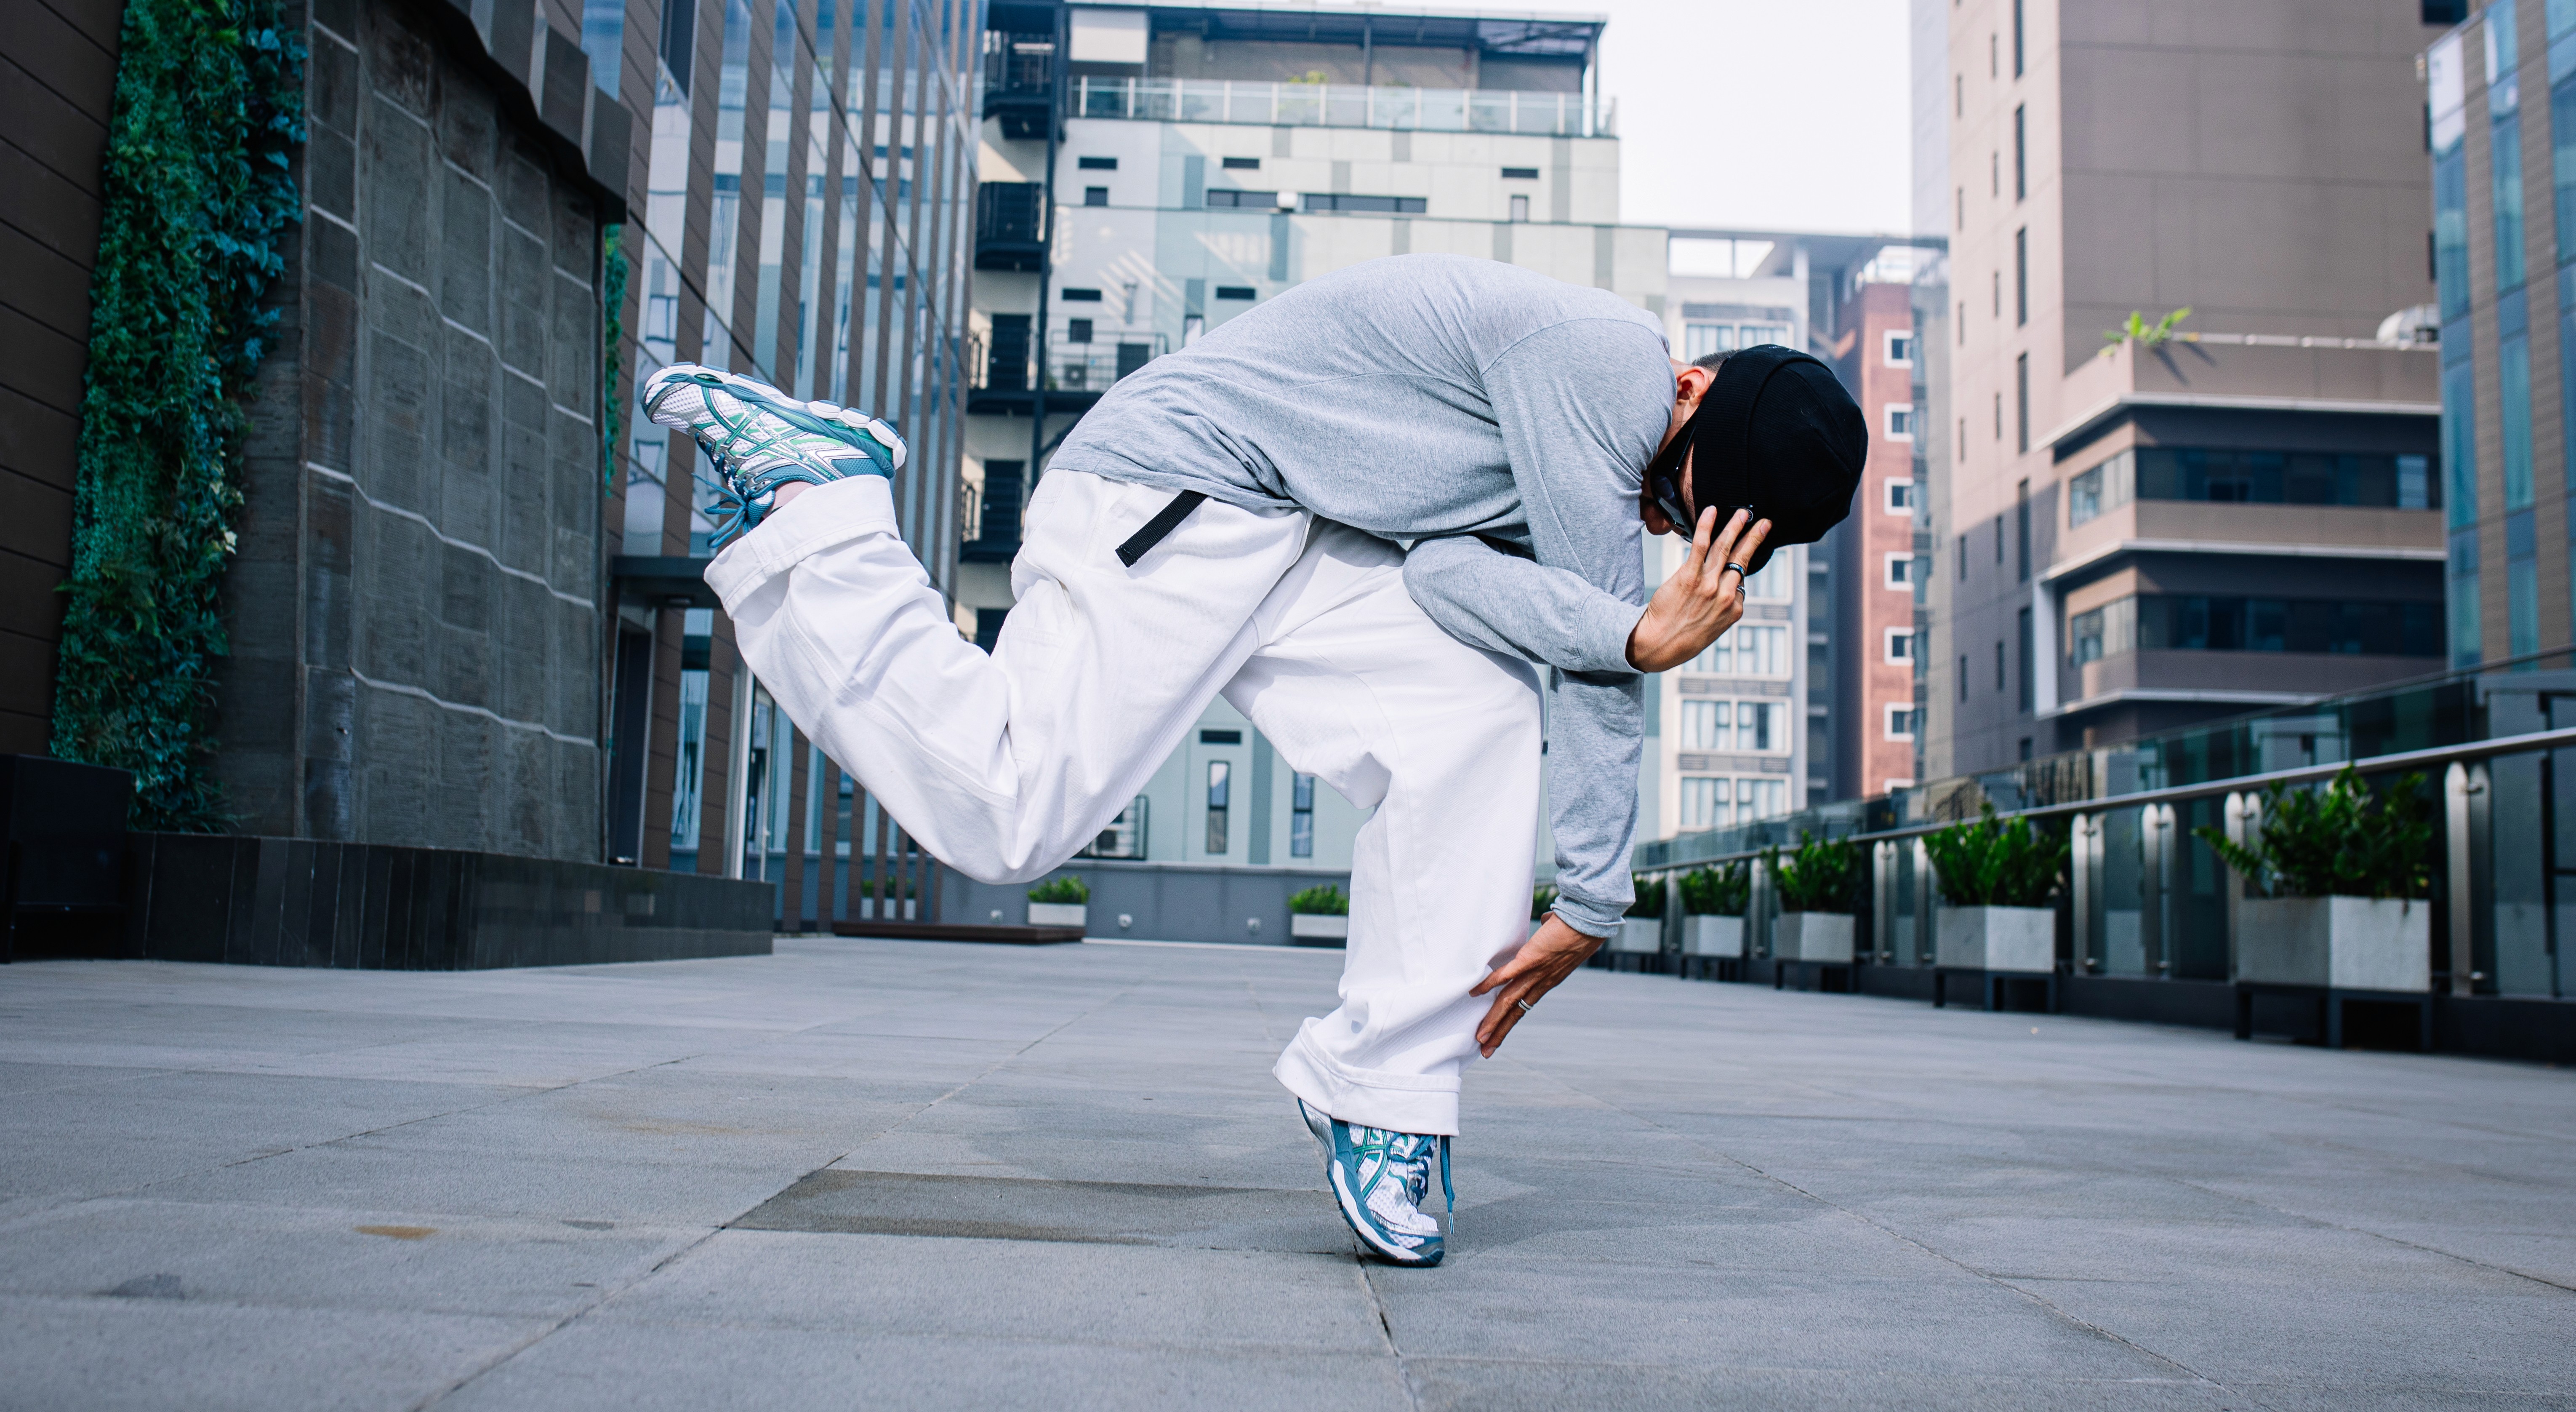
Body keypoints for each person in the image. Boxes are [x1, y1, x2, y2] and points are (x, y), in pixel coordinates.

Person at [644, 253, 1865, 1267]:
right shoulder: (1606, 365)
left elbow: (1454, 580)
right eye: (1673, 499)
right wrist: (1595, 882)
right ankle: (822, 512)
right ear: (1689, 387)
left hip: (1305, 538)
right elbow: (1602, 653)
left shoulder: (1567, 422)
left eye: (1686, 534)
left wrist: (1616, 636)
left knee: (1472, 716)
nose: (1654, 525)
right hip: (1187, 484)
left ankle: (1387, 1099)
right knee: (1007, 814)